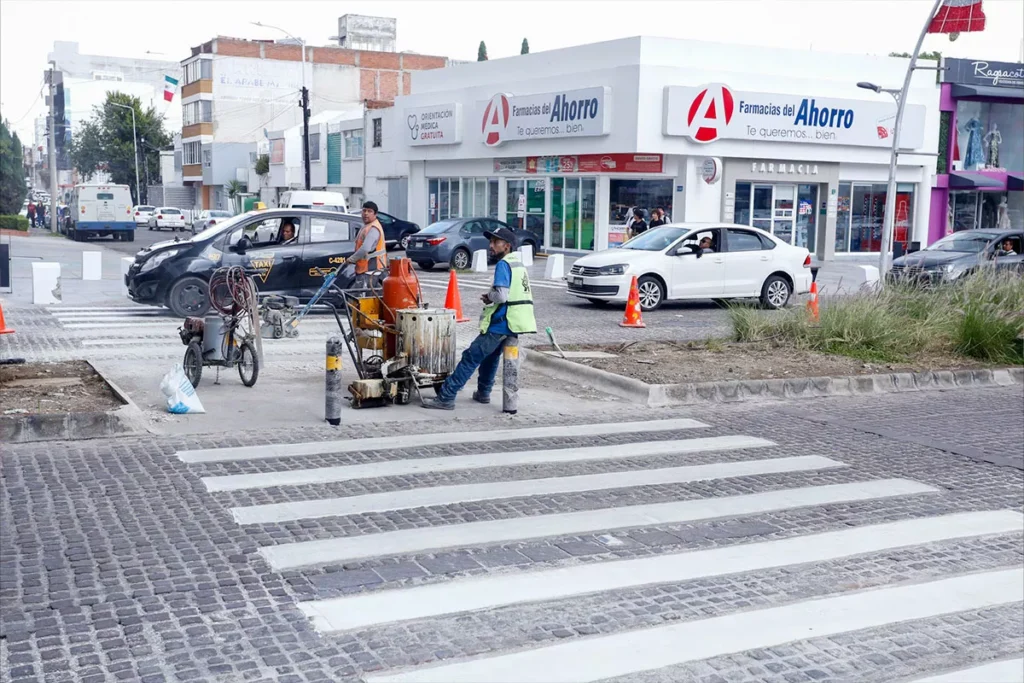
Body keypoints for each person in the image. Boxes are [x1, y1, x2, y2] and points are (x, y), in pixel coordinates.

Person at [422, 226, 536, 411]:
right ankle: (483, 393)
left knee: (471, 356)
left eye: (495, 242)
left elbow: (501, 296)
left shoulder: (503, 264)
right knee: (490, 358)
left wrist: (489, 296)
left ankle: (446, 396)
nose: (491, 245)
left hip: (502, 322)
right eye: (490, 241)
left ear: (506, 246)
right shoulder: (518, 264)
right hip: (516, 322)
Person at [346, 201, 387, 287]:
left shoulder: (373, 229)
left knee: (363, 297)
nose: (366, 214)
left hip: (370, 270)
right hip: (368, 269)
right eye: (364, 211)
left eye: (369, 211)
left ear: (375, 214)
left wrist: (352, 259)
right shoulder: (367, 226)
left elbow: (365, 248)